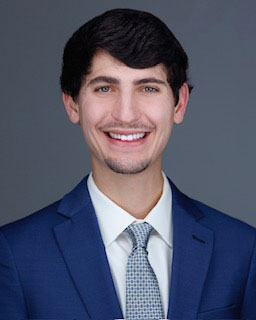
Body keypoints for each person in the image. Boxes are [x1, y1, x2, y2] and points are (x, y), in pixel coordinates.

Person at [0, 8, 255, 320]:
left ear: (180, 103)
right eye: (104, 88)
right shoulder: (15, 254)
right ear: (72, 103)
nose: (126, 114)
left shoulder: (243, 250)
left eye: (148, 88)